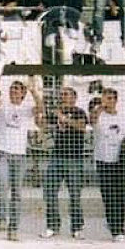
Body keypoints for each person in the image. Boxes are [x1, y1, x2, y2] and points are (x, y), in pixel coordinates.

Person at [0, 79, 43, 241]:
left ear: (22, 93)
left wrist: (33, 91)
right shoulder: (4, 105)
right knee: (2, 186)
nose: (13, 91)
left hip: (20, 155)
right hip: (3, 153)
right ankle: (1, 218)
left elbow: (40, 108)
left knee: (17, 192)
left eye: (17, 89)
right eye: (12, 88)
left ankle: (13, 228)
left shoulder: (26, 109)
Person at [41, 86, 88, 240]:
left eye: (66, 94)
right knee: (50, 191)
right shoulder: (55, 112)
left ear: (74, 97)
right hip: (57, 157)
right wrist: (42, 113)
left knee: (74, 194)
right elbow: (43, 125)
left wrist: (64, 118)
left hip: (74, 158)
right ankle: (52, 225)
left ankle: (77, 227)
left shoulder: (79, 112)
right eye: (61, 95)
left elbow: (82, 127)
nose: (63, 97)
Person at [91, 87, 125, 242]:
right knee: (108, 195)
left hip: (121, 162)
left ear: (116, 100)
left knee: (122, 196)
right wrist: (100, 107)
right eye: (106, 98)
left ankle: (119, 225)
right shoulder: (99, 115)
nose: (109, 101)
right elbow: (92, 121)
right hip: (104, 161)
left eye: (111, 98)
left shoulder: (124, 117)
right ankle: (115, 227)